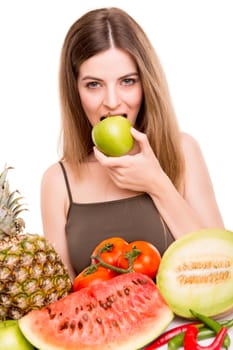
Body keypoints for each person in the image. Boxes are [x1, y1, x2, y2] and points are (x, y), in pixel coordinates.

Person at [40, 7, 224, 280]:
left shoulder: (183, 151)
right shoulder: (58, 181)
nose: (112, 101)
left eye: (127, 81)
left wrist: (157, 184)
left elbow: (222, 271)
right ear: (75, 90)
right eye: (93, 85)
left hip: (191, 325)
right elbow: (61, 299)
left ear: (146, 84)